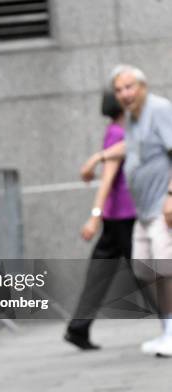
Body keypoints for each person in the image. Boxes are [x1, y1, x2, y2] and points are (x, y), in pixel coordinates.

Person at [81, 64, 172, 357]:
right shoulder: (133, 118)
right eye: (119, 90)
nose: (124, 94)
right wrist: (99, 156)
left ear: (143, 86)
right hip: (143, 211)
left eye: (129, 87)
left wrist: (171, 195)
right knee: (145, 270)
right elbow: (128, 147)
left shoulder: (159, 110)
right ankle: (168, 330)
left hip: (161, 206)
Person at [64, 91, 136, 350]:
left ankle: (78, 327)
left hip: (117, 218)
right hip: (124, 217)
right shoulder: (118, 133)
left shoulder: (117, 131)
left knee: (100, 273)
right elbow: (108, 177)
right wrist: (94, 216)